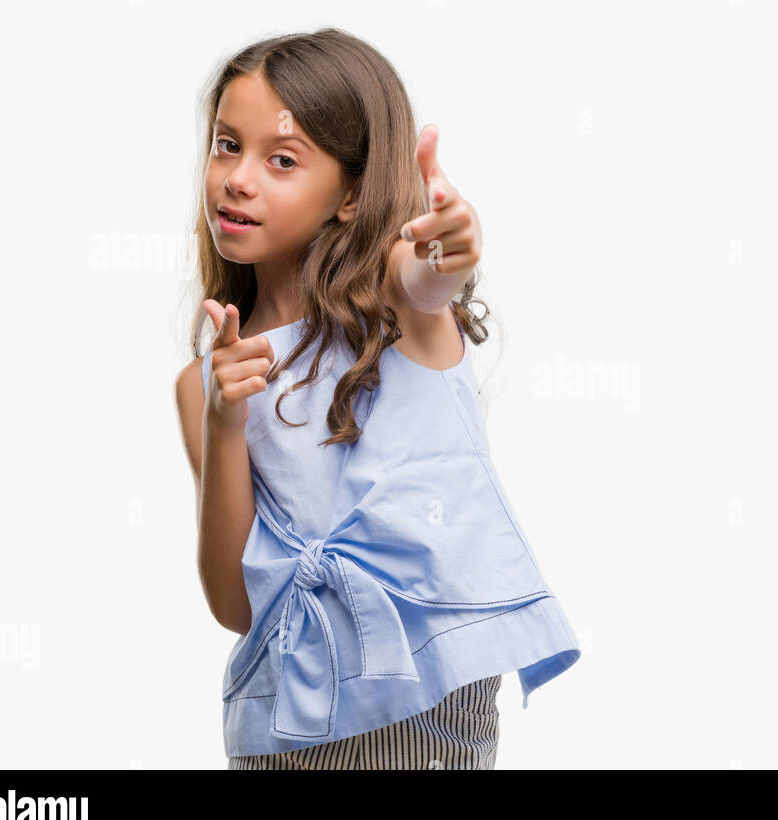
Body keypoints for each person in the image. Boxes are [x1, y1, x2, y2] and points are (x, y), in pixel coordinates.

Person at [172, 28, 580, 769]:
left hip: (420, 701)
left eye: (282, 160)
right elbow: (236, 606)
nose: (237, 177)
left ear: (353, 194)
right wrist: (226, 422)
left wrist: (447, 246)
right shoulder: (202, 386)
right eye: (227, 144)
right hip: (286, 717)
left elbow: (429, 274)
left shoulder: (400, 313)